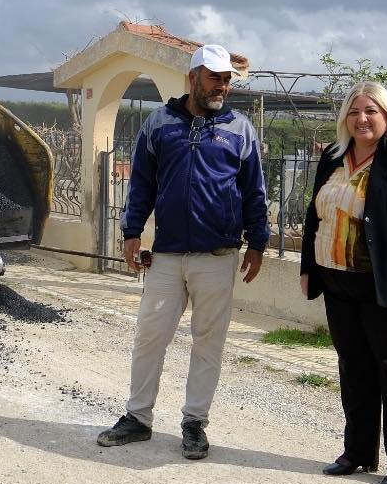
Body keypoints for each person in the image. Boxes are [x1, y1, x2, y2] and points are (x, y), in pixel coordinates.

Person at [97, 44, 270, 460]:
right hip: (167, 256)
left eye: (226, 80)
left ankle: (194, 423)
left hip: (218, 256)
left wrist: (258, 243)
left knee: (208, 342)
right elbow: (142, 183)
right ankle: (138, 417)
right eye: (214, 78)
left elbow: (254, 191)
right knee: (150, 336)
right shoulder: (159, 124)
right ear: (193, 78)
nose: (221, 86)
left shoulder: (240, 129)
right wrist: (131, 233)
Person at [299, 82, 387, 484]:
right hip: (338, 281)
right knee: (353, 368)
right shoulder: (333, 156)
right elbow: (314, 214)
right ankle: (357, 451)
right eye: (354, 112)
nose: (362, 119)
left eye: (371, 111)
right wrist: (308, 268)